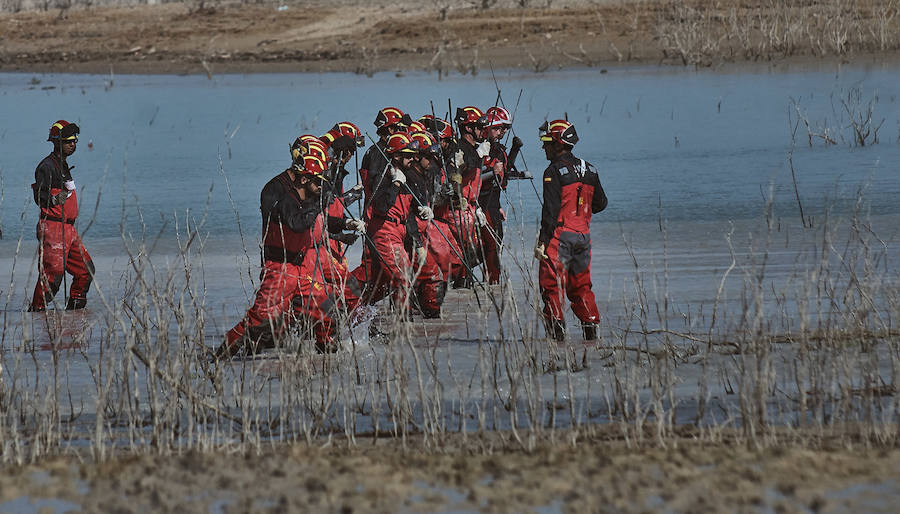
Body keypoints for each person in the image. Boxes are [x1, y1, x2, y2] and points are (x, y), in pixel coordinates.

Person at [216, 154, 330, 359]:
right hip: (281, 270)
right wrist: (319, 205)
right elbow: (297, 224)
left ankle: (329, 353)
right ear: (304, 179)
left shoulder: (306, 200)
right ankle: (219, 356)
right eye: (318, 181)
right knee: (258, 318)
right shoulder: (286, 201)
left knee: (324, 306)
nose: (322, 186)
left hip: (301, 268)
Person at [534, 119, 607, 341]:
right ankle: (591, 334)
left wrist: (542, 242)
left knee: (552, 286)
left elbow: (551, 211)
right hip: (583, 238)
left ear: (558, 144)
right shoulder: (590, 169)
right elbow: (601, 204)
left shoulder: (553, 171)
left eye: (547, 142)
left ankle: (557, 340)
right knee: (581, 285)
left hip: (559, 237)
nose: (543, 147)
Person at [29, 120, 95, 312]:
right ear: (57, 142)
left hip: (69, 228)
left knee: (85, 270)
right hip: (53, 227)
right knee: (53, 274)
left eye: (75, 141)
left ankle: (74, 316)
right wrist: (55, 199)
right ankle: (36, 315)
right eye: (68, 141)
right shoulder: (47, 166)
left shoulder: (63, 165)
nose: (72, 144)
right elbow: (39, 196)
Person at [478, 106, 513, 284]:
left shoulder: (499, 149)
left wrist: (498, 206)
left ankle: (492, 285)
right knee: (490, 245)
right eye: (498, 128)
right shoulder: (481, 148)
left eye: (505, 128)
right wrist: (491, 169)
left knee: (495, 243)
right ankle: (491, 283)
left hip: (493, 202)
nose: (502, 132)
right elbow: (474, 178)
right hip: (481, 203)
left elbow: (499, 181)